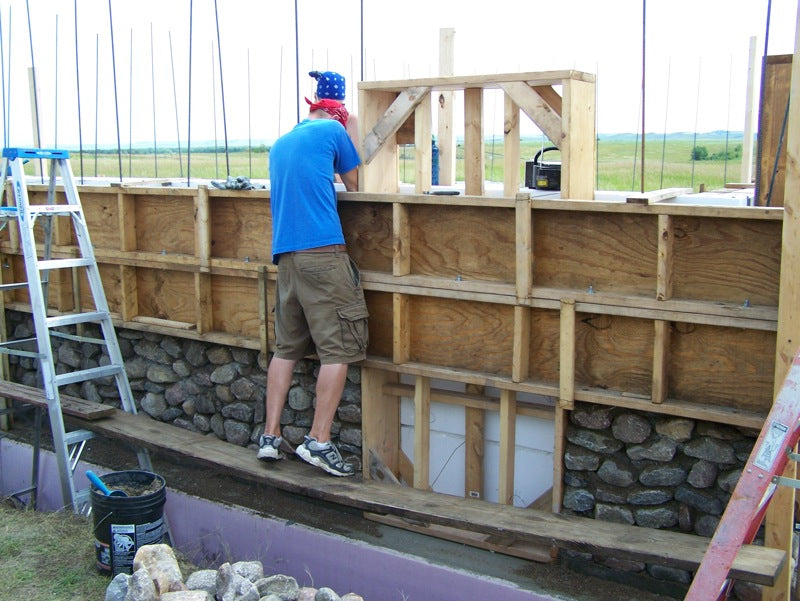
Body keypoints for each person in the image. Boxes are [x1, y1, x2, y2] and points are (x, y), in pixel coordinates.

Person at [257, 96, 368, 477]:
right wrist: (351, 127)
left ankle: (270, 437)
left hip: (285, 259)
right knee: (338, 349)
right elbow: (355, 184)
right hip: (323, 254)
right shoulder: (335, 129)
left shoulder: (281, 142)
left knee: (286, 349)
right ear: (338, 116)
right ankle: (319, 442)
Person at [308, 70, 360, 153]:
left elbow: (357, 160)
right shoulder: (310, 123)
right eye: (326, 108)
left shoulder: (351, 121)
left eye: (338, 108)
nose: (332, 116)